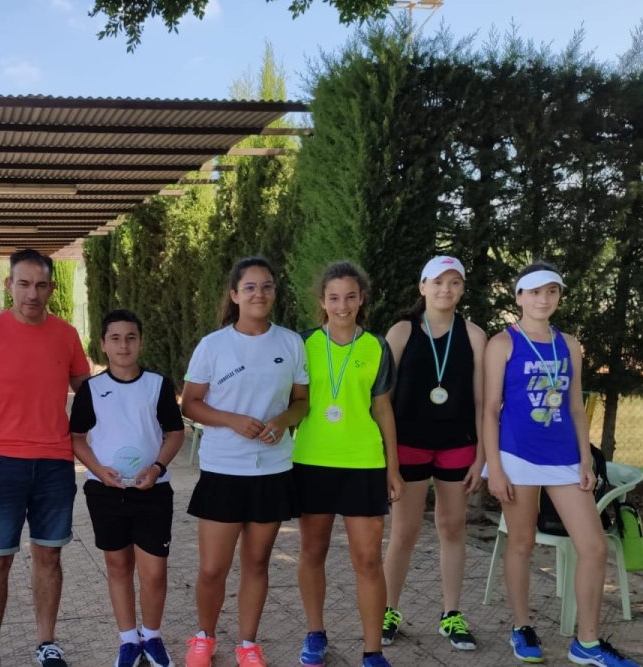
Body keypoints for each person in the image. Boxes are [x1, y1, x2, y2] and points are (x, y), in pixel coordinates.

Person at [483, 263, 641, 667]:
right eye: (535, 292)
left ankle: (585, 643)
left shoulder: (569, 344)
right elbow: (489, 410)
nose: (544, 299)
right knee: (520, 544)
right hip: (517, 456)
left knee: (593, 546)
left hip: (564, 458)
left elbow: (574, 406)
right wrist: (495, 468)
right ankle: (522, 627)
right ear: (518, 296)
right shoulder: (503, 343)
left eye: (552, 291)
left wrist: (586, 459)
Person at [0, 248, 91, 667]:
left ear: (51, 287)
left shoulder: (66, 335)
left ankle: (46, 643)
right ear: (9, 285)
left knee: (48, 556)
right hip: (0, 464)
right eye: (24, 283)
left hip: (54, 464)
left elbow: (91, 395)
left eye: (41, 285)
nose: (32, 294)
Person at [180, 257, 309, 667]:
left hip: (272, 472)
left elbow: (302, 402)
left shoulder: (291, 343)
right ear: (234, 295)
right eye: (250, 287)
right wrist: (231, 420)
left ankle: (248, 644)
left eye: (267, 286)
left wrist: (283, 420)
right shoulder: (213, 345)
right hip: (223, 471)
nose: (259, 294)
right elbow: (191, 404)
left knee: (256, 563)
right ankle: (204, 638)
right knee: (213, 568)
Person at [294, 261, 402, 667]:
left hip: (364, 464)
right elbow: (292, 403)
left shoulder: (376, 346)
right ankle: (315, 633)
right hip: (311, 462)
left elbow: (384, 410)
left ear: (362, 299)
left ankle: (372, 651)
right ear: (322, 301)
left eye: (351, 297)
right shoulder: (302, 344)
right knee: (312, 552)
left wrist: (393, 468)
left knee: (369, 559)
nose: (343, 306)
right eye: (334, 297)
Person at [69, 309, 186, 667]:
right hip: (106, 492)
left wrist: (157, 466)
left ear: (141, 342)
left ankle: (151, 636)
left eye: (131, 337)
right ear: (103, 344)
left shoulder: (158, 385)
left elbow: (176, 432)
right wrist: (98, 470)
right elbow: (76, 438)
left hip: (152, 490)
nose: (124, 345)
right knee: (118, 566)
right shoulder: (92, 389)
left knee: (154, 572)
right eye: (115, 338)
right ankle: (127, 640)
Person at [381, 256, 486, 651]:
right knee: (404, 531)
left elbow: (481, 401)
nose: (446, 289)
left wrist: (481, 458)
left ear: (462, 289)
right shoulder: (402, 331)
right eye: (438, 282)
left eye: (454, 282)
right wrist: (387, 458)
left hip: (458, 444)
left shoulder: (474, 335)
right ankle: (388, 610)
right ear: (423, 286)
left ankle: (451, 613)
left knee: (452, 527)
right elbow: (382, 399)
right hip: (408, 443)